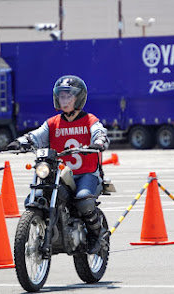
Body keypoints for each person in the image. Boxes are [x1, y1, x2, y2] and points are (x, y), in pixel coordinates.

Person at [6, 75, 110, 254]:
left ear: (78, 98)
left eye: (69, 96)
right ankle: (47, 230)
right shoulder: (53, 123)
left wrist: (99, 142)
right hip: (59, 173)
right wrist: (21, 141)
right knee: (34, 197)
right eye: (62, 96)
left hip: (86, 173)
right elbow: (36, 135)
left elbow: (99, 132)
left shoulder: (89, 120)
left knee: (84, 200)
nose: (65, 100)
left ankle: (97, 235)